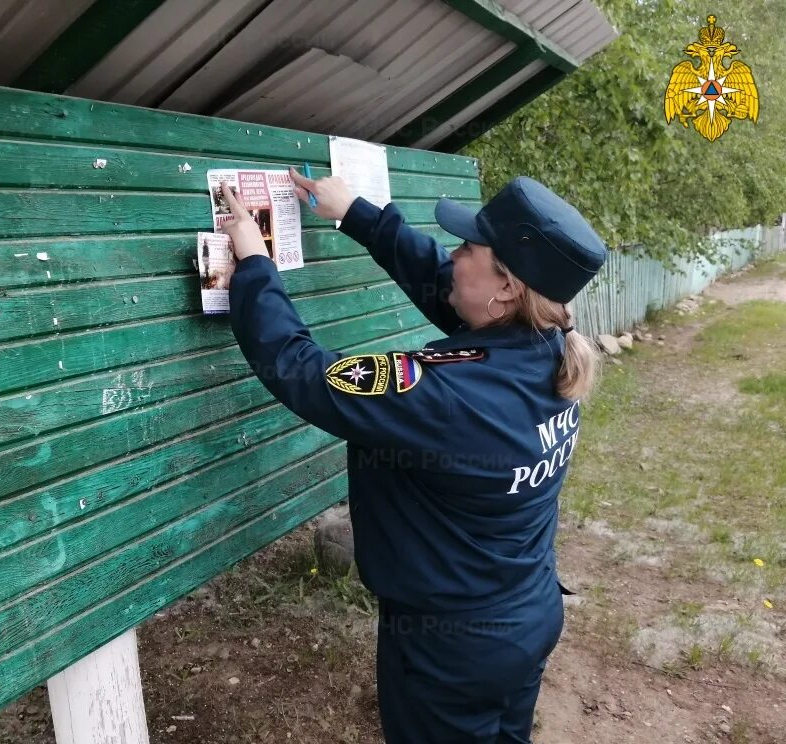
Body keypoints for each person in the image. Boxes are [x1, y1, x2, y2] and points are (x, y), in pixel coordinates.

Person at [218, 167, 607, 743]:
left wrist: (253, 265)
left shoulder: (445, 395)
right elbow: (448, 288)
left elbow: (301, 372)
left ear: (507, 286)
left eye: (469, 247)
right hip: (525, 616)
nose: (453, 254)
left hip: (450, 651)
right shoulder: (546, 347)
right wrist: (359, 215)